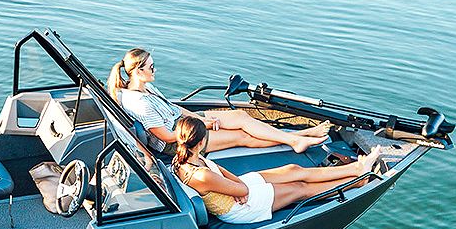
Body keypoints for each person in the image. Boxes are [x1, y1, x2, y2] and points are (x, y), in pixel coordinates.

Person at [108, 48, 332, 153]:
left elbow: (173, 108)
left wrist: (200, 118)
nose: (155, 70)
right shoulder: (140, 103)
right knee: (242, 136)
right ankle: (296, 139)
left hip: (185, 123)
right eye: (151, 67)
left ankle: (297, 137)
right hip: (178, 140)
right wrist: (200, 125)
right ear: (138, 71)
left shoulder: (147, 88)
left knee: (240, 116)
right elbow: (165, 136)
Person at [169, 116, 388, 225]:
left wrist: (236, 184)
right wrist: (240, 189)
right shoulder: (199, 174)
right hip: (238, 209)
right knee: (299, 188)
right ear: (199, 143)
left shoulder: (187, 157)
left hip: (233, 190)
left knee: (293, 169)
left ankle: (357, 167)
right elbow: (240, 189)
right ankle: (357, 181)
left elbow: (223, 173)